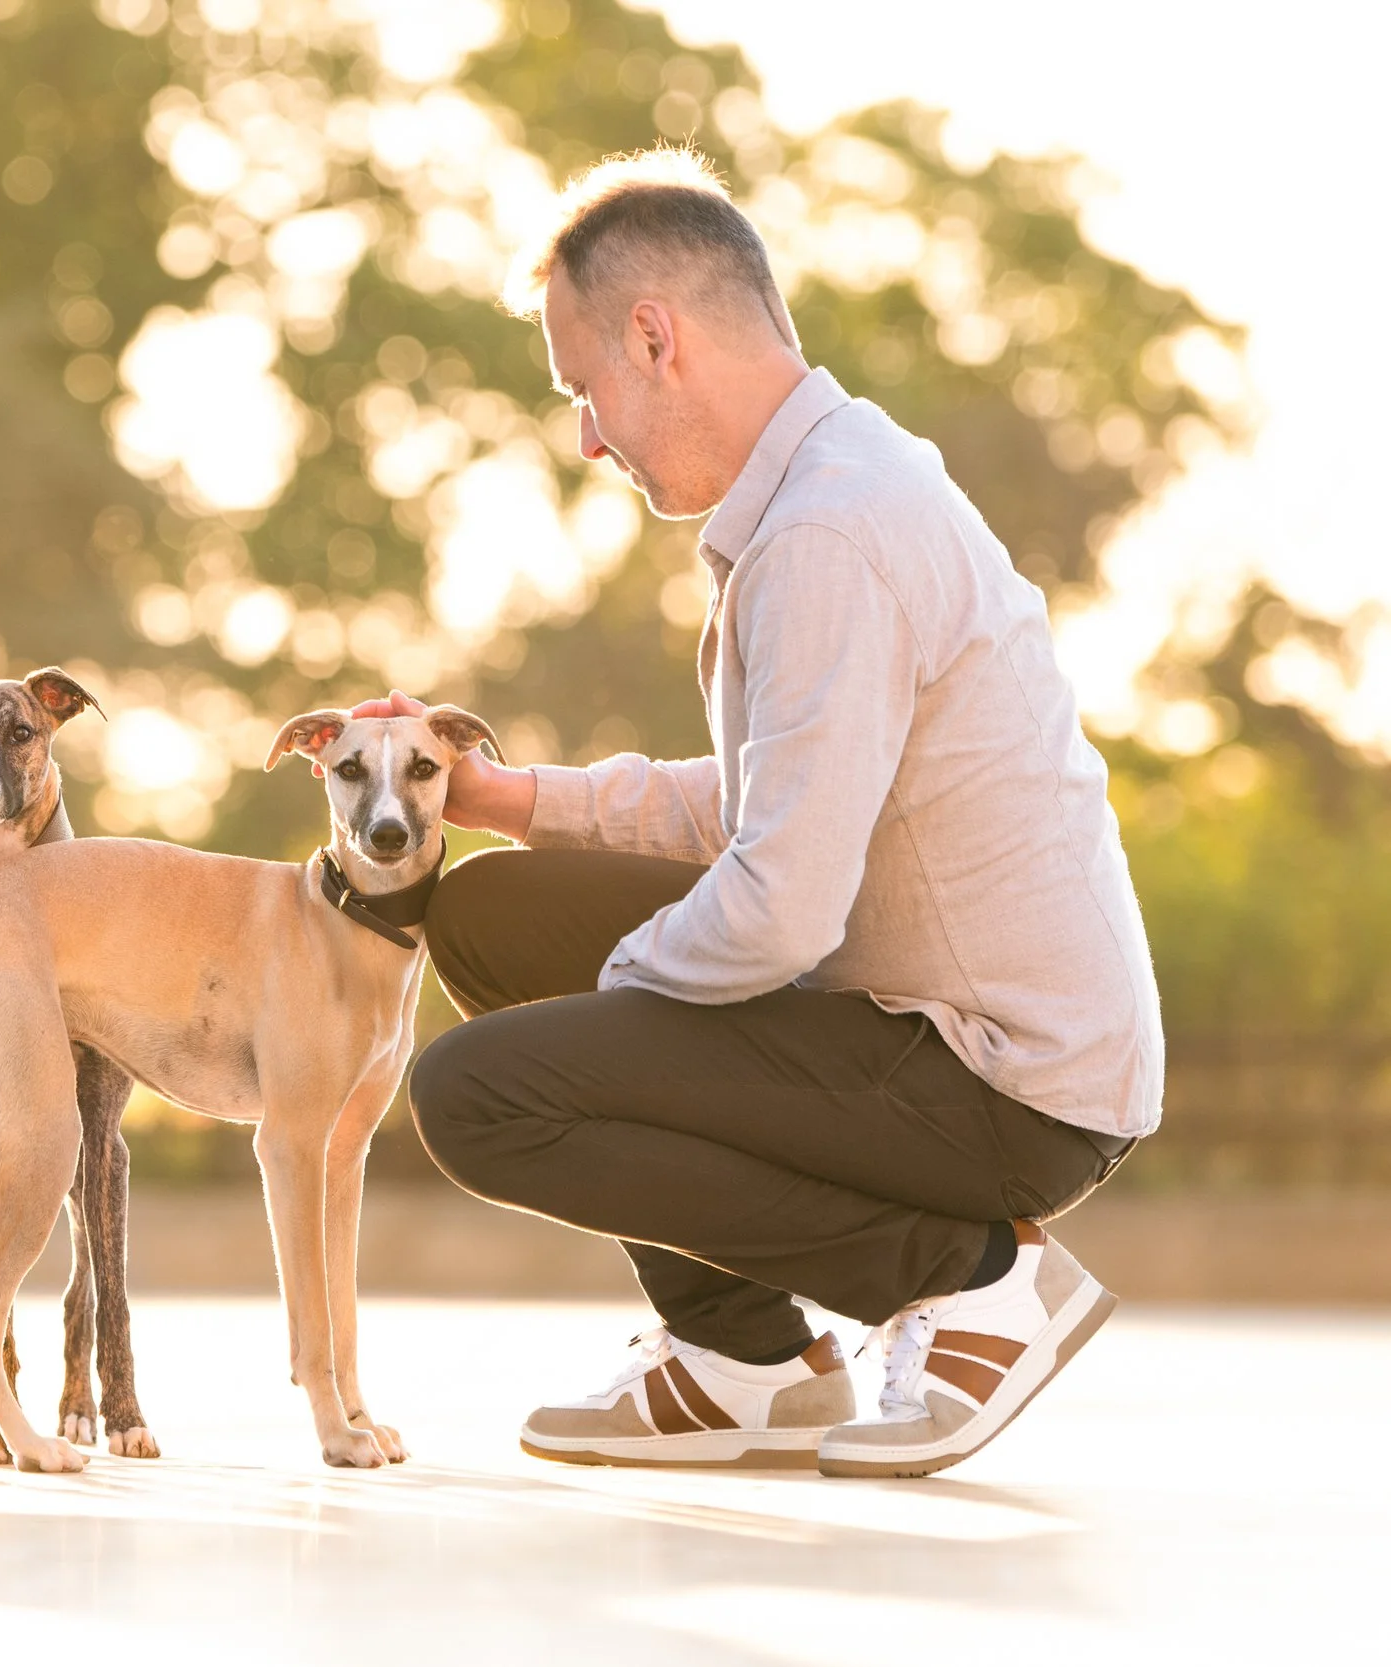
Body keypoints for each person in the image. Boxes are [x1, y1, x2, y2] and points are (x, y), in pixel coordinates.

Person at [394, 149, 1157, 1478]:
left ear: (653, 335)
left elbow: (784, 902)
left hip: (1001, 1076)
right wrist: (514, 799)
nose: (587, 434)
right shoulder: (831, 490)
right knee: (498, 914)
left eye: (585, 389)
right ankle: (745, 1353)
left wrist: (614, 1011)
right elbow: (773, 806)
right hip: (920, 1019)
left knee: (480, 1094)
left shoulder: (830, 534)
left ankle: (980, 1281)